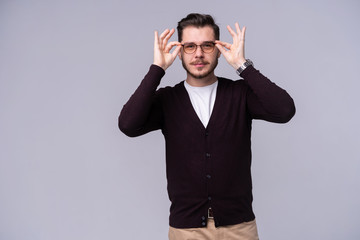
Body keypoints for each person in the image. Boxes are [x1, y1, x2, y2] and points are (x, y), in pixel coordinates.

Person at [118, 13, 295, 240]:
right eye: (190, 46)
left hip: (239, 228)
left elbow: (284, 110)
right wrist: (157, 69)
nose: (199, 54)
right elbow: (128, 125)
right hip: (186, 230)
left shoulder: (239, 94)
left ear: (219, 49)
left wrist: (242, 65)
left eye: (207, 46)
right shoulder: (168, 100)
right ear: (180, 51)